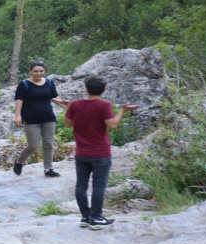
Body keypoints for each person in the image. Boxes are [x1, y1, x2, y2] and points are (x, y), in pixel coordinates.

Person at [59, 76, 140, 230]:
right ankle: (96, 218)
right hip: (100, 153)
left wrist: (70, 109)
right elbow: (112, 125)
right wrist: (123, 110)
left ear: (86, 89)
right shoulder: (104, 105)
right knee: (99, 186)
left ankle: (85, 217)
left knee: (81, 185)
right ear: (104, 90)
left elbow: (68, 123)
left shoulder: (75, 105)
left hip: (81, 152)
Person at [13, 60, 67, 177]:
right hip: (31, 119)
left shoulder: (48, 82)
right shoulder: (24, 84)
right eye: (36, 71)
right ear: (31, 71)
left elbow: (55, 98)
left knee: (48, 144)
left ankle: (48, 169)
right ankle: (19, 162)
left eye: (41, 71)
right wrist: (17, 116)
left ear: (44, 71)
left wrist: (68, 107)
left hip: (48, 118)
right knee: (33, 145)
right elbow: (19, 100)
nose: (38, 73)